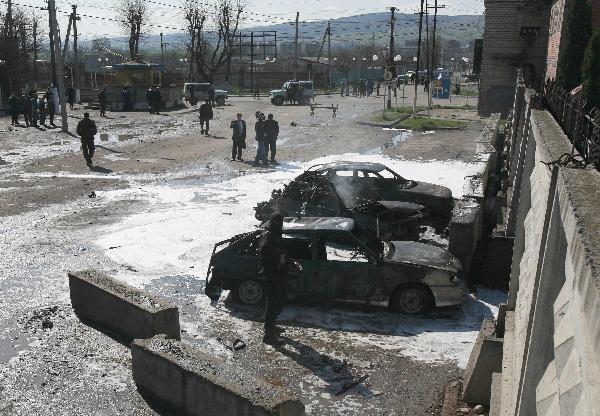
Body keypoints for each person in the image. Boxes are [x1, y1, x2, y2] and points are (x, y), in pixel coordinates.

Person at [258, 212, 289, 345]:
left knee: (279, 302)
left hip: (278, 274)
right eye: (278, 222)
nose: (280, 225)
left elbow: (281, 250)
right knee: (273, 304)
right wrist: (278, 257)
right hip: (271, 275)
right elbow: (264, 251)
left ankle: (271, 326)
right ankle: (268, 335)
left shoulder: (275, 235)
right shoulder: (267, 235)